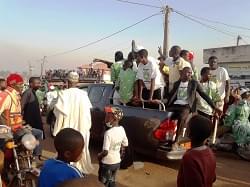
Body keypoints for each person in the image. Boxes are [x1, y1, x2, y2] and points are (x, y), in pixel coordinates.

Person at [53, 71, 93, 174]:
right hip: (81, 127)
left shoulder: (63, 94)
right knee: (80, 148)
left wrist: (57, 130)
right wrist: (86, 128)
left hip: (67, 128)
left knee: (66, 149)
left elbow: (59, 114)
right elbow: (87, 114)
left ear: (68, 81)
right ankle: (79, 169)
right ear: (77, 82)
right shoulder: (84, 94)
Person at [166, 67, 221, 137]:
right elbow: (171, 95)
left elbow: (203, 95)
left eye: (191, 73)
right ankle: (164, 136)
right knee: (163, 115)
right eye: (188, 72)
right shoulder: (176, 83)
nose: (190, 74)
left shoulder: (194, 83)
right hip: (175, 105)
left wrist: (214, 107)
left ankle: (177, 140)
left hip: (186, 106)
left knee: (182, 117)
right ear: (182, 73)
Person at [0, 74, 43, 158]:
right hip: (7, 130)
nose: (22, 86)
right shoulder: (5, 96)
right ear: (13, 84)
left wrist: (22, 124)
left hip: (17, 129)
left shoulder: (16, 96)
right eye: (20, 84)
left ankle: (32, 157)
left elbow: (17, 115)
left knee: (38, 133)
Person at [177, 115, 216, 187]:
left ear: (189, 133)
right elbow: (213, 178)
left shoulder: (189, 157)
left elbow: (193, 183)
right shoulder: (210, 152)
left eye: (187, 127)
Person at [98, 106, 128, 187]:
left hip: (107, 163)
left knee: (102, 183)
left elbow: (105, 152)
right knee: (112, 181)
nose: (105, 118)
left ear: (114, 119)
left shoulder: (108, 133)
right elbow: (125, 144)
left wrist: (99, 156)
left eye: (108, 116)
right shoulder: (122, 129)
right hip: (117, 162)